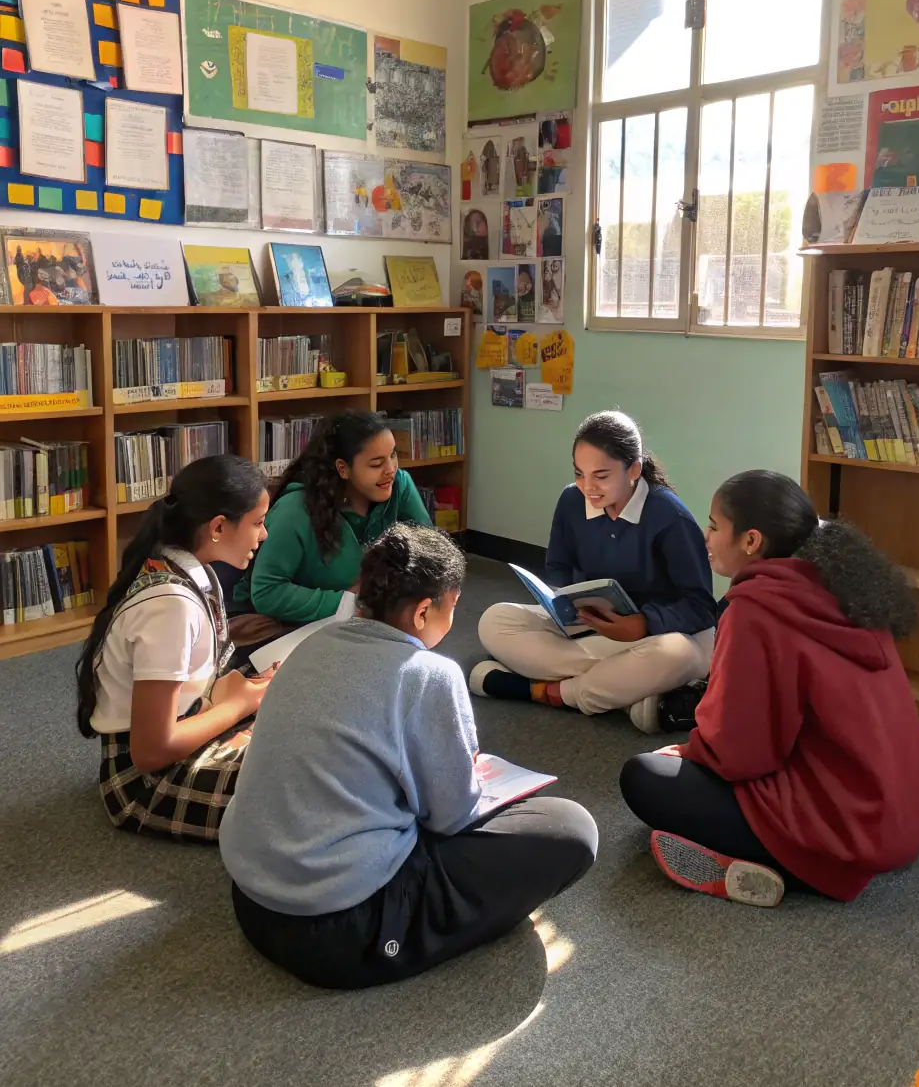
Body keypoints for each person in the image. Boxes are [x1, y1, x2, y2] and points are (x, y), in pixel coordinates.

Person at [219, 524, 597, 989]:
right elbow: (452, 817)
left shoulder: (310, 645)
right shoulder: (429, 674)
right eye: (452, 607)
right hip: (338, 929)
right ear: (423, 611)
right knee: (572, 829)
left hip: (253, 900)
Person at [619, 470, 919, 907]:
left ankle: (778, 868)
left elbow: (741, 755)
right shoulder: (849, 587)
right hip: (901, 817)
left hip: (843, 831)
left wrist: (691, 752)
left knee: (644, 776)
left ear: (751, 541)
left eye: (713, 526)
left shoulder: (754, 610)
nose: (705, 537)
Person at [471, 411, 717, 733]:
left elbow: (700, 606)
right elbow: (557, 567)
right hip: (593, 630)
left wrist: (642, 624)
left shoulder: (669, 517)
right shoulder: (572, 501)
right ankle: (630, 691)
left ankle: (546, 691)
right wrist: (571, 603)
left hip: (664, 635)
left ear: (634, 470)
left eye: (601, 476)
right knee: (495, 620)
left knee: (677, 656)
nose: (588, 487)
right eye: (579, 474)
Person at [74, 454, 274, 841]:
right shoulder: (171, 606)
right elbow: (151, 751)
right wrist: (239, 705)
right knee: (301, 785)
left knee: (299, 732)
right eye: (258, 522)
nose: (263, 535)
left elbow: (186, 687)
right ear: (218, 527)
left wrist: (242, 694)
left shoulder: (183, 571)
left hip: (180, 732)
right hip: (143, 784)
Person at [227, 411, 432, 659]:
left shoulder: (399, 485)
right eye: (376, 464)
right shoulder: (295, 510)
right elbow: (267, 592)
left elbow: (430, 553)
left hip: (361, 619)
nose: (390, 469)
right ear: (343, 469)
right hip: (292, 625)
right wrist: (352, 602)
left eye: (393, 455)